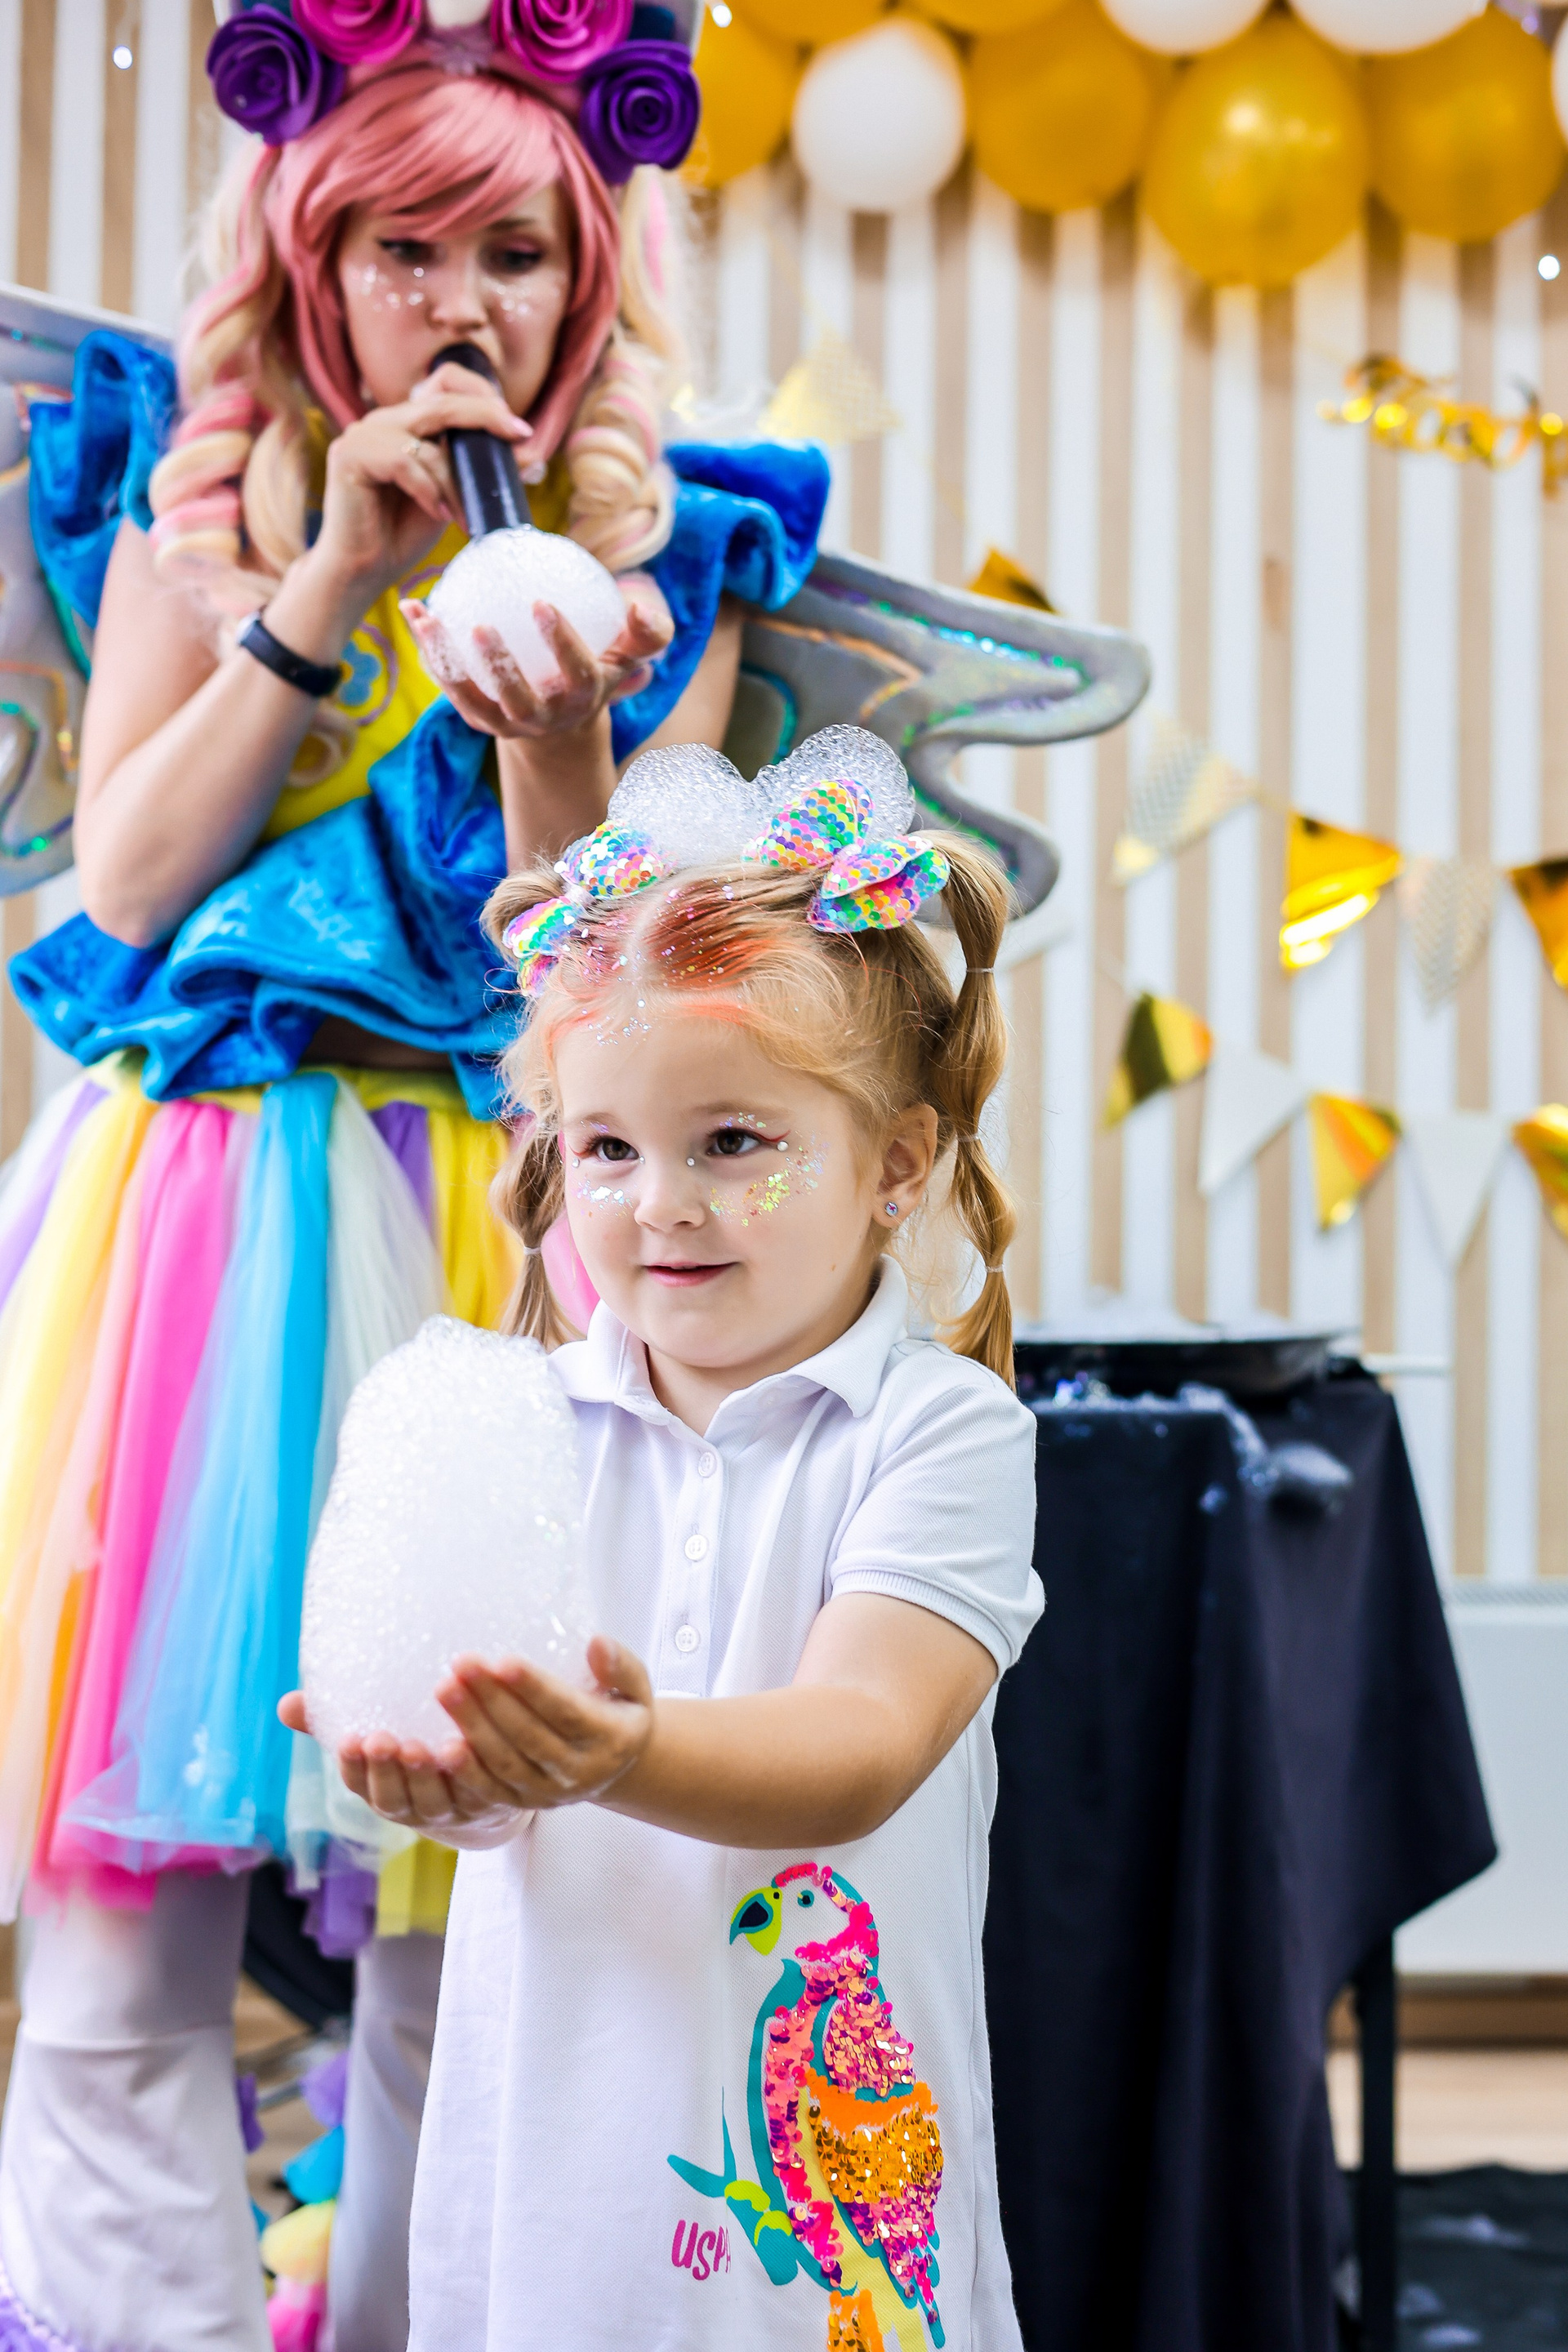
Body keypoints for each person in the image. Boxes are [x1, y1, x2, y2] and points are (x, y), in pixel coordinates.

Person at [0, 17, 828, 2350]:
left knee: (477, 1943)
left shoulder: (674, 553)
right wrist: (335, 581)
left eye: (515, 252)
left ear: (589, 283)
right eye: (400, 248)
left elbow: (606, 971)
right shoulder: (189, 514)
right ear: (310, 264)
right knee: (118, 1941)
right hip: (201, 1241)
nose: (458, 302)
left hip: (506, 1232)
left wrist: (560, 703)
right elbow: (126, 889)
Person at [296, 724, 1043, 2351]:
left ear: (895, 1164)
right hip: (560, 2174)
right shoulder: (519, 1432)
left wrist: (615, 1751)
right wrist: (454, 1775)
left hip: (830, 2206)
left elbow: (861, 1743)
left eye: (734, 1142)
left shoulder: (939, 1435)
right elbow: (497, 1777)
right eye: (609, 1149)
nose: (659, 1203)